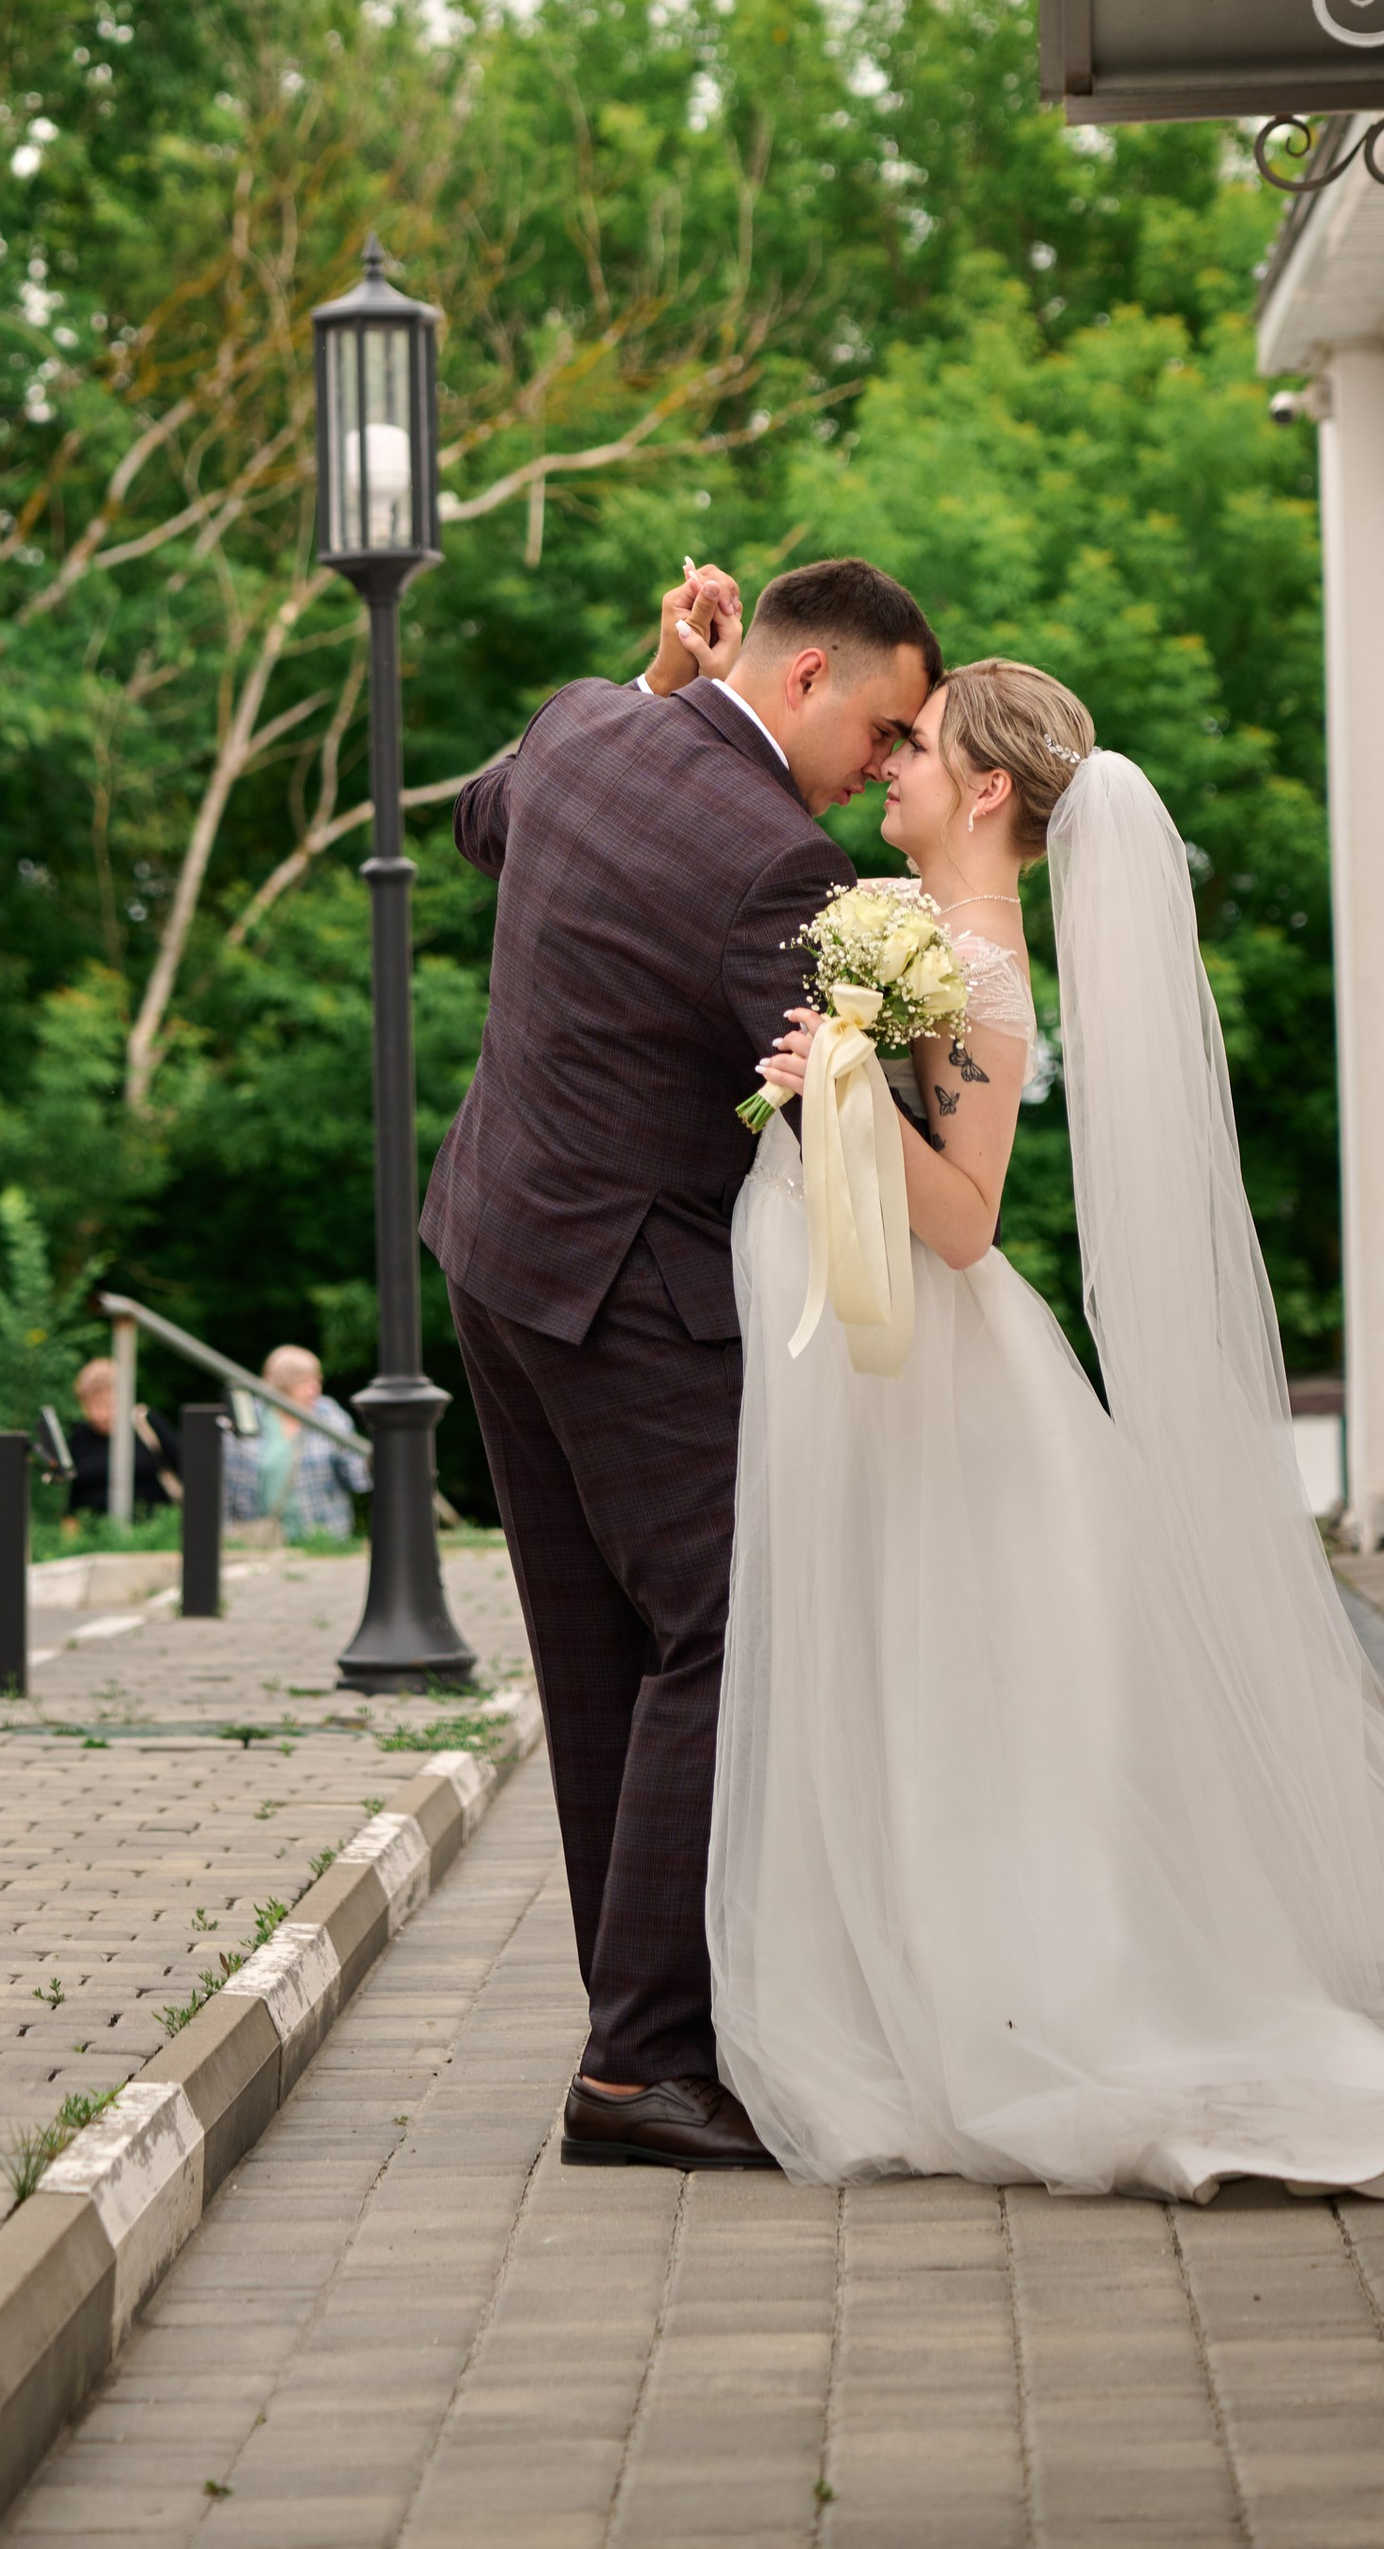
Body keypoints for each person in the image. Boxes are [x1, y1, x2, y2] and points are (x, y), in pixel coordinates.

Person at [717, 655, 1384, 2198]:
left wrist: (839, 1097)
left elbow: (959, 1223)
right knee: (887, 1669)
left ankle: (1006, 1994)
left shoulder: (984, 972)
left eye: (922, 746)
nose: (891, 764)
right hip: (867, 1365)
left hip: (928, 1370)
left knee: (950, 1686)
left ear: (992, 787)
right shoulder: (915, 940)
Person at [422, 554, 943, 2173]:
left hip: (494, 1256)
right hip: (624, 1297)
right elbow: (857, 1131)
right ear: (803, 681)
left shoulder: (583, 725)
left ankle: (642, 2035)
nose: (886, 762)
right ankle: (640, 2062)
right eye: (886, 723)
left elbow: (476, 825)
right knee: (718, 1626)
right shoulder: (775, 864)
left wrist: (650, 679)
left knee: (603, 1659)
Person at [223, 1344, 370, 1536]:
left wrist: (371, 1463)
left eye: (317, 1380)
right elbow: (226, 1483)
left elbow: (357, 1476)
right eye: (306, 1382)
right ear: (284, 1384)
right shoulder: (249, 1416)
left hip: (323, 1538)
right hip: (259, 1538)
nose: (316, 1388)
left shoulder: (328, 1414)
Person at [64, 1356, 179, 1519]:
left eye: (106, 1405)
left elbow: (184, 1467)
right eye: (91, 1406)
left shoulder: (146, 1423)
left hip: (153, 1531)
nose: (99, 1415)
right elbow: (75, 1493)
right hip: (95, 1534)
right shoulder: (80, 1435)